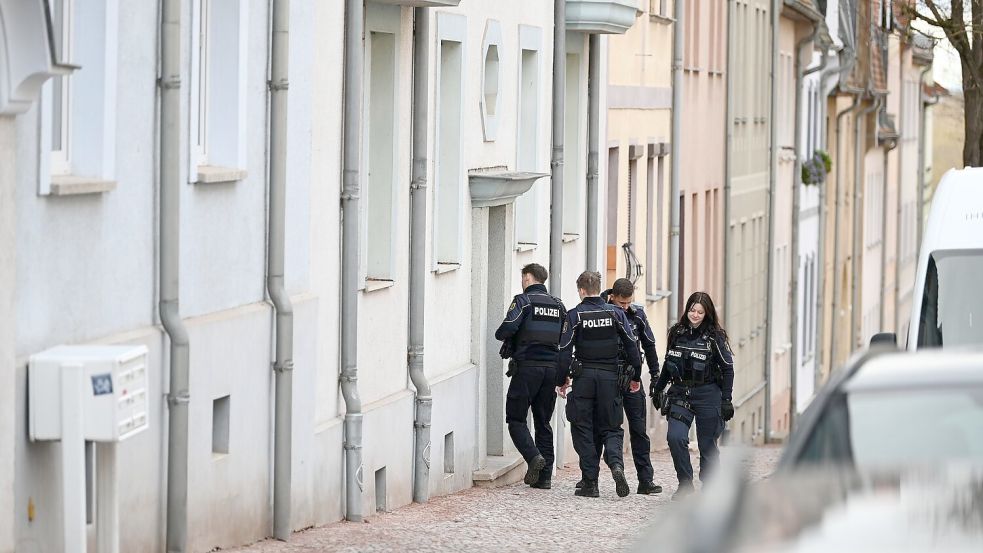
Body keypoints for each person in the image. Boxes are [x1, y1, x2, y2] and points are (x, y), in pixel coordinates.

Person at [556, 271, 641, 498]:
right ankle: (616, 465)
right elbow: (632, 347)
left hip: (584, 378)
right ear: (600, 288)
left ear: (581, 290)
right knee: (611, 427)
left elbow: (564, 351)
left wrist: (561, 379)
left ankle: (590, 483)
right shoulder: (615, 313)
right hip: (610, 378)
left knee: (582, 426)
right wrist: (636, 376)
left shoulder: (575, 315)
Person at [651, 292, 735, 500]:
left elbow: (728, 369)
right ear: (687, 310)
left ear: (707, 314)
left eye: (699, 312)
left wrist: (726, 400)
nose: (695, 315)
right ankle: (685, 483)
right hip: (680, 393)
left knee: (707, 444)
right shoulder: (677, 333)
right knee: (675, 437)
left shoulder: (715, 337)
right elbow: (669, 364)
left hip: (708, 395)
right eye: (692, 310)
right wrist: (658, 388)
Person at [495, 263, 567, 489]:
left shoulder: (523, 301)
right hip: (551, 369)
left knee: (516, 420)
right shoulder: (559, 305)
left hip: (527, 368)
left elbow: (507, 328)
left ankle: (534, 457)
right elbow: (566, 340)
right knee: (543, 421)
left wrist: (504, 336)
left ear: (527, 278)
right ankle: (544, 478)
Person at [593, 278, 663, 495]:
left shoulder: (638, 315)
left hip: (632, 378)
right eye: (620, 303)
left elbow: (649, 346)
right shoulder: (601, 312)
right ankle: (590, 478)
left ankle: (646, 480)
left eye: (627, 304)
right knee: (601, 427)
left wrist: (655, 374)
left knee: (639, 430)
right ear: (612, 296)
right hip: (608, 377)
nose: (624, 308)